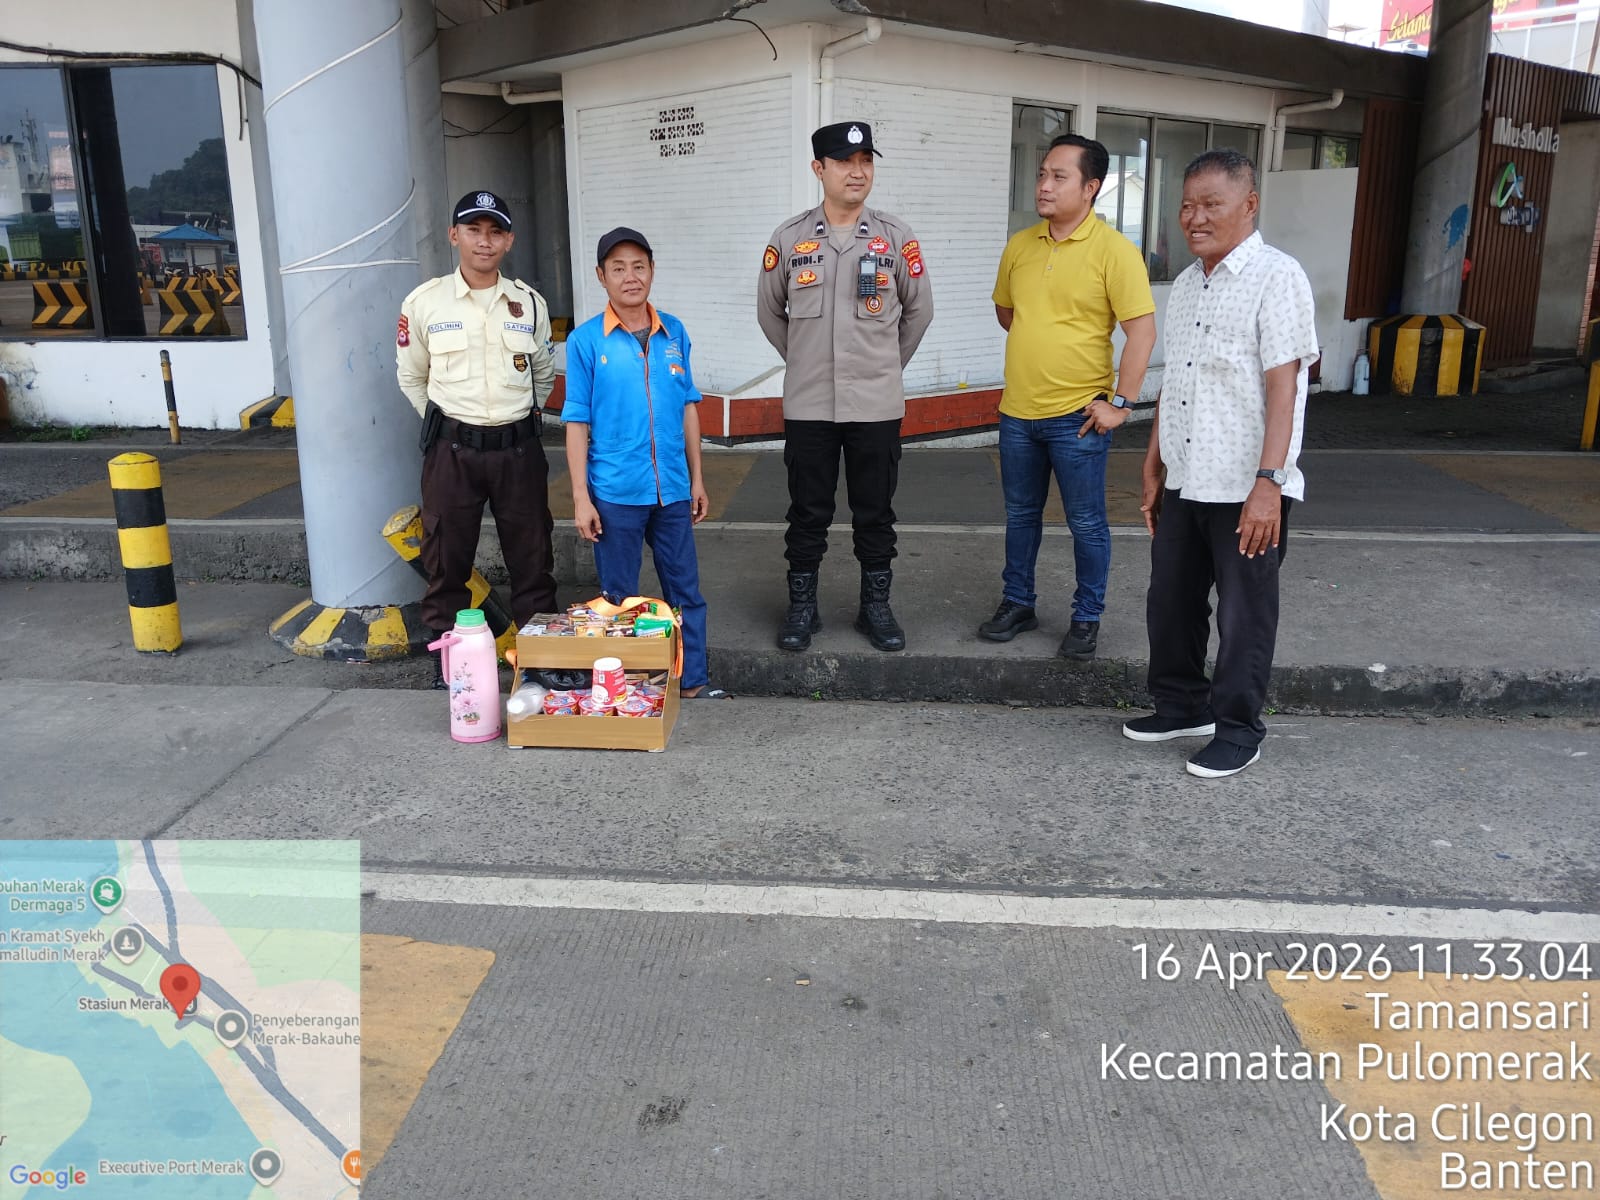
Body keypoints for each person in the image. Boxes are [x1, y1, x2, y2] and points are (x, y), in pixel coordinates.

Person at [1123, 150, 1318, 779]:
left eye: (1212, 204)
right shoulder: (1186, 284)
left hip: (1246, 484)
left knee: (1244, 615)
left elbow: (1284, 390)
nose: (1195, 217)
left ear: (1249, 205)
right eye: (1187, 205)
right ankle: (1182, 706)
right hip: (1186, 475)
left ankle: (1238, 729)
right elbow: (1176, 380)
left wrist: (1269, 484)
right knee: (1171, 601)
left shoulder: (1277, 276)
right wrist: (1154, 461)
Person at [756, 121, 934, 653]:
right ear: (819, 169)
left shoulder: (895, 237)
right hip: (809, 404)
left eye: (866, 161)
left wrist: (883, 366)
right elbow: (770, 313)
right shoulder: (789, 239)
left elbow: (919, 312)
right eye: (844, 162)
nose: (858, 172)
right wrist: (807, 361)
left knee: (875, 512)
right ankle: (802, 607)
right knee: (807, 512)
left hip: (876, 405)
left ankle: (875, 607)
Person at [983, 134, 1157, 660]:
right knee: (1021, 516)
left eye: (1059, 176)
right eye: (1042, 174)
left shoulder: (1115, 252)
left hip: (1079, 417)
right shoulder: (1020, 246)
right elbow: (1008, 313)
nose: (1044, 185)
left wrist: (1121, 404)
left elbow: (1142, 331)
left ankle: (1086, 617)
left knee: (1086, 523)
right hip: (1018, 413)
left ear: (1090, 187)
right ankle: (1019, 602)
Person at [397, 190, 557, 686]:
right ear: (454, 235)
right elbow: (411, 376)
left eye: (495, 232)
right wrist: (449, 425)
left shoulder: (529, 304)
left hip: (518, 450)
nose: (484, 241)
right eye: (473, 230)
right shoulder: (424, 303)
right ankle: (450, 662)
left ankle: (540, 659)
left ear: (509, 241)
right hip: (452, 452)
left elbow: (543, 376)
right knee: (446, 558)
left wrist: (514, 419)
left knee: (532, 558)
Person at [563, 227, 726, 699]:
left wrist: (697, 479)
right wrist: (581, 499)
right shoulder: (586, 341)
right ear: (601, 276)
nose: (630, 277)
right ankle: (625, 687)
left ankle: (692, 681)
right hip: (615, 492)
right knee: (619, 598)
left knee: (685, 592)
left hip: (672, 488)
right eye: (618, 268)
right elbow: (576, 421)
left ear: (652, 270)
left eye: (639, 266)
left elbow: (688, 407)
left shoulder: (674, 332)